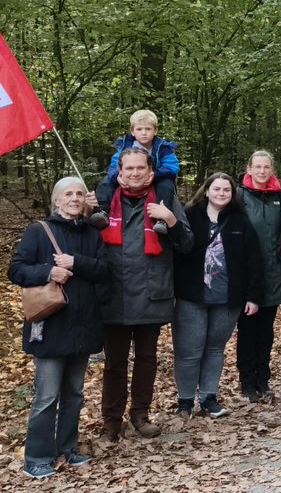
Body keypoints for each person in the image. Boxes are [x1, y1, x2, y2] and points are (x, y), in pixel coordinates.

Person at [8, 177, 110, 479]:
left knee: (74, 394)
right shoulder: (39, 231)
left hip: (83, 325)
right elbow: (15, 270)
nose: (75, 198)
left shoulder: (92, 233)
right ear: (56, 200)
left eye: (80, 193)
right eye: (68, 194)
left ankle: (67, 448)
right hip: (50, 325)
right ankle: (37, 457)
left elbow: (105, 271)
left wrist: (75, 262)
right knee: (47, 396)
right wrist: (48, 271)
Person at [98, 148, 193, 440]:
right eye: (129, 169)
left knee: (146, 359)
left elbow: (188, 244)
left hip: (152, 294)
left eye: (141, 168)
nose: (135, 173)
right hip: (112, 295)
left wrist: (171, 220)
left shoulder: (166, 200)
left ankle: (140, 414)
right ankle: (111, 421)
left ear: (151, 173)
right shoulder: (103, 203)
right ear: (120, 172)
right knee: (114, 363)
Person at [173, 173, 261, 419]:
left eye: (226, 190)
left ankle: (209, 397)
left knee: (214, 350)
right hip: (191, 298)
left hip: (227, 299)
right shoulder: (189, 217)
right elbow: (175, 254)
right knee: (189, 352)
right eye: (217, 189)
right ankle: (185, 400)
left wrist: (253, 297)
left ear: (232, 195)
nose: (221, 194)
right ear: (207, 191)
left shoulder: (240, 222)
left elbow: (253, 261)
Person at [235, 150, 281, 403]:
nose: (261, 171)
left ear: (272, 170)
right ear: (249, 169)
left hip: (273, 272)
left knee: (266, 331)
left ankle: (263, 380)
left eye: (266, 167)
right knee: (247, 329)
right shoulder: (238, 197)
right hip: (246, 274)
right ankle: (247, 382)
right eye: (257, 166)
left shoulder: (280, 198)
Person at [90, 109, 180, 234]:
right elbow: (113, 165)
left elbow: (172, 168)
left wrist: (153, 176)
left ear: (155, 130)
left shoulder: (163, 147)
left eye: (148, 129)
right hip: (128, 178)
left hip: (156, 179)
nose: (144, 133)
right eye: (139, 129)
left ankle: (162, 219)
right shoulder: (125, 146)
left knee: (166, 185)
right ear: (132, 131)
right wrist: (117, 177)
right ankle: (103, 211)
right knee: (106, 182)